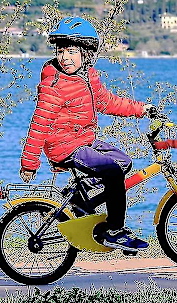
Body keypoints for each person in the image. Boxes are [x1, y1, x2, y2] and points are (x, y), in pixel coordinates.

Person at [20, 16, 154, 252]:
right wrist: (29, 163)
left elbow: (108, 102)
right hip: (64, 146)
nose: (65, 57)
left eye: (71, 52)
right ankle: (113, 231)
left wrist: (141, 109)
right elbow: (39, 124)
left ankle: (79, 196)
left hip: (83, 140)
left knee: (124, 163)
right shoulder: (54, 85)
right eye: (61, 51)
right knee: (112, 173)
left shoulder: (88, 77)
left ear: (86, 54)